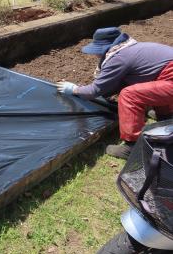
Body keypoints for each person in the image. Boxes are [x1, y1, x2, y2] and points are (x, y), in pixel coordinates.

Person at [56, 27, 173, 159]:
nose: (96, 55)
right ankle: (166, 117)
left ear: (105, 48)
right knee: (153, 82)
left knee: (129, 95)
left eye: (97, 51)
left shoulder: (119, 58)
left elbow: (93, 91)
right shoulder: (131, 49)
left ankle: (132, 147)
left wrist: (74, 89)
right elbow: (141, 77)